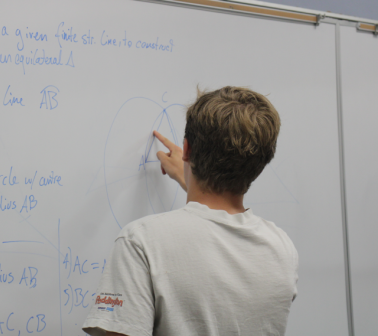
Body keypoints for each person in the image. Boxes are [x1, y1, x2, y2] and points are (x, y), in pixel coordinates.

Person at [82, 86, 298, 336]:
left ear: (187, 149)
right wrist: (190, 176)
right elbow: (216, 228)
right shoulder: (282, 247)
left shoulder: (141, 242)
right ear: (263, 161)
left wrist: (191, 172)